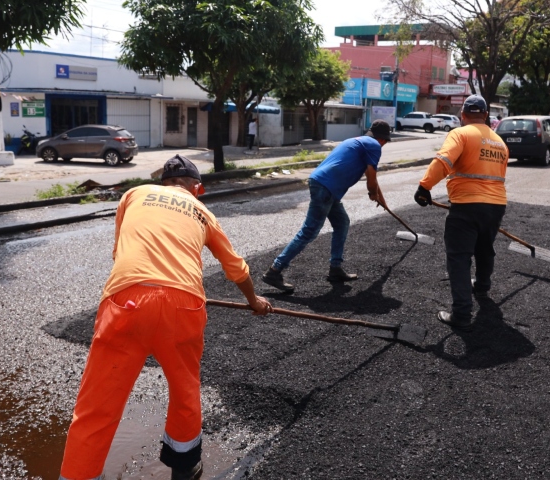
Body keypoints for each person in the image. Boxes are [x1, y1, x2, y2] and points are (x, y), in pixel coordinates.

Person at [59, 155, 272, 480]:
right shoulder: (202, 212)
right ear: (197, 188)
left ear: (162, 184)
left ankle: (78, 475)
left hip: (125, 300)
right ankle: (185, 466)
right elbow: (236, 268)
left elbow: (120, 253)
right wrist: (254, 301)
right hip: (183, 305)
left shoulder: (134, 195)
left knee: (96, 407)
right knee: (185, 387)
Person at [412, 95, 508, 331]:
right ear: (486, 115)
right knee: (485, 249)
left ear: (463, 115)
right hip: (496, 205)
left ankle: (461, 313)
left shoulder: (460, 133)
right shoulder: (500, 142)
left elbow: (443, 161)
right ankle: (482, 287)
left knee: (459, 257)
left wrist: (424, 187)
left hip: (466, 205)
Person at [261, 120, 392, 292]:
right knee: (309, 231)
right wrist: (373, 193)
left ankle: (335, 268)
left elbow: (373, 179)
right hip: (326, 188)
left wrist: (380, 198)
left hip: (324, 186)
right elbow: (371, 175)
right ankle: (274, 271)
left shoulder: (357, 141)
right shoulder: (374, 145)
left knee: (341, 223)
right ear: (383, 139)